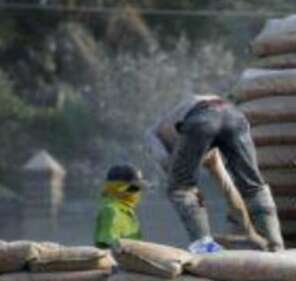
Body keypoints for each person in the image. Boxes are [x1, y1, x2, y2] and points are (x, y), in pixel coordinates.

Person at [145, 95, 284, 253]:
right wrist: (250, 233)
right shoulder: (209, 148)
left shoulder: (155, 136)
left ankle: (204, 246)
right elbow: (229, 190)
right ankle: (276, 244)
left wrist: (250, 232)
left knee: (179, 189)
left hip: (200, 119)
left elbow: (177, 179)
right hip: (234, 116)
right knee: (253, 186)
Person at [94, 164, 144, 248]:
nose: (138, 192)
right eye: (136, 188)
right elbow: (106, 248)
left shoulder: (126, 211)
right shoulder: (111, 211)